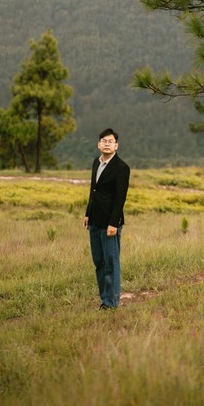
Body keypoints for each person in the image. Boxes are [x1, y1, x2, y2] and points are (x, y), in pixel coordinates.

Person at [83, 127, 130, 309]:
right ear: (98, 144)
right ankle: (105, 299)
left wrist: (113, 223)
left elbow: (120, 199)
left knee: (111, 262)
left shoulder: (121, 168)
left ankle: (111, 302)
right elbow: (93, 190)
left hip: (109, 223)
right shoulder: (96, 162)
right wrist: (88, 213)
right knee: (99, 262)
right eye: (104, 141)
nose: (107, 144)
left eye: (110, 141)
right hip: (94, 220)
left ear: (116, 145)